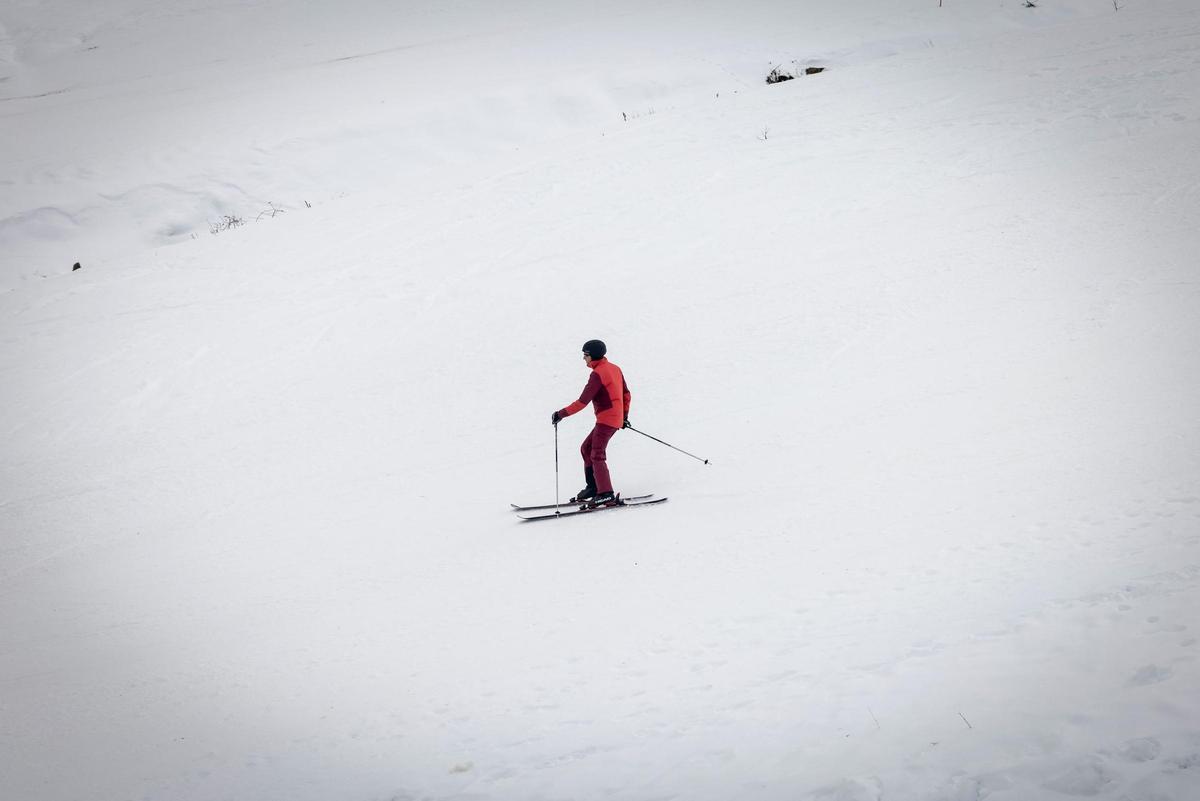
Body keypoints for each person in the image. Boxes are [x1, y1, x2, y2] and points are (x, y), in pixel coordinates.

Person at [551, 339, 631, 506]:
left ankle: (606, 493)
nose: (584, 358)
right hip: (612, 418)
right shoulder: (615, 368)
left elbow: (582, 402)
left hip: (607, 420)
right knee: (586, 448)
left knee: (596, 454)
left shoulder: (598, 374)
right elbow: (626, 394)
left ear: (592, 355)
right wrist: (623, 417)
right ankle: (594, 487)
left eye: (585, 355)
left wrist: (561, 414)